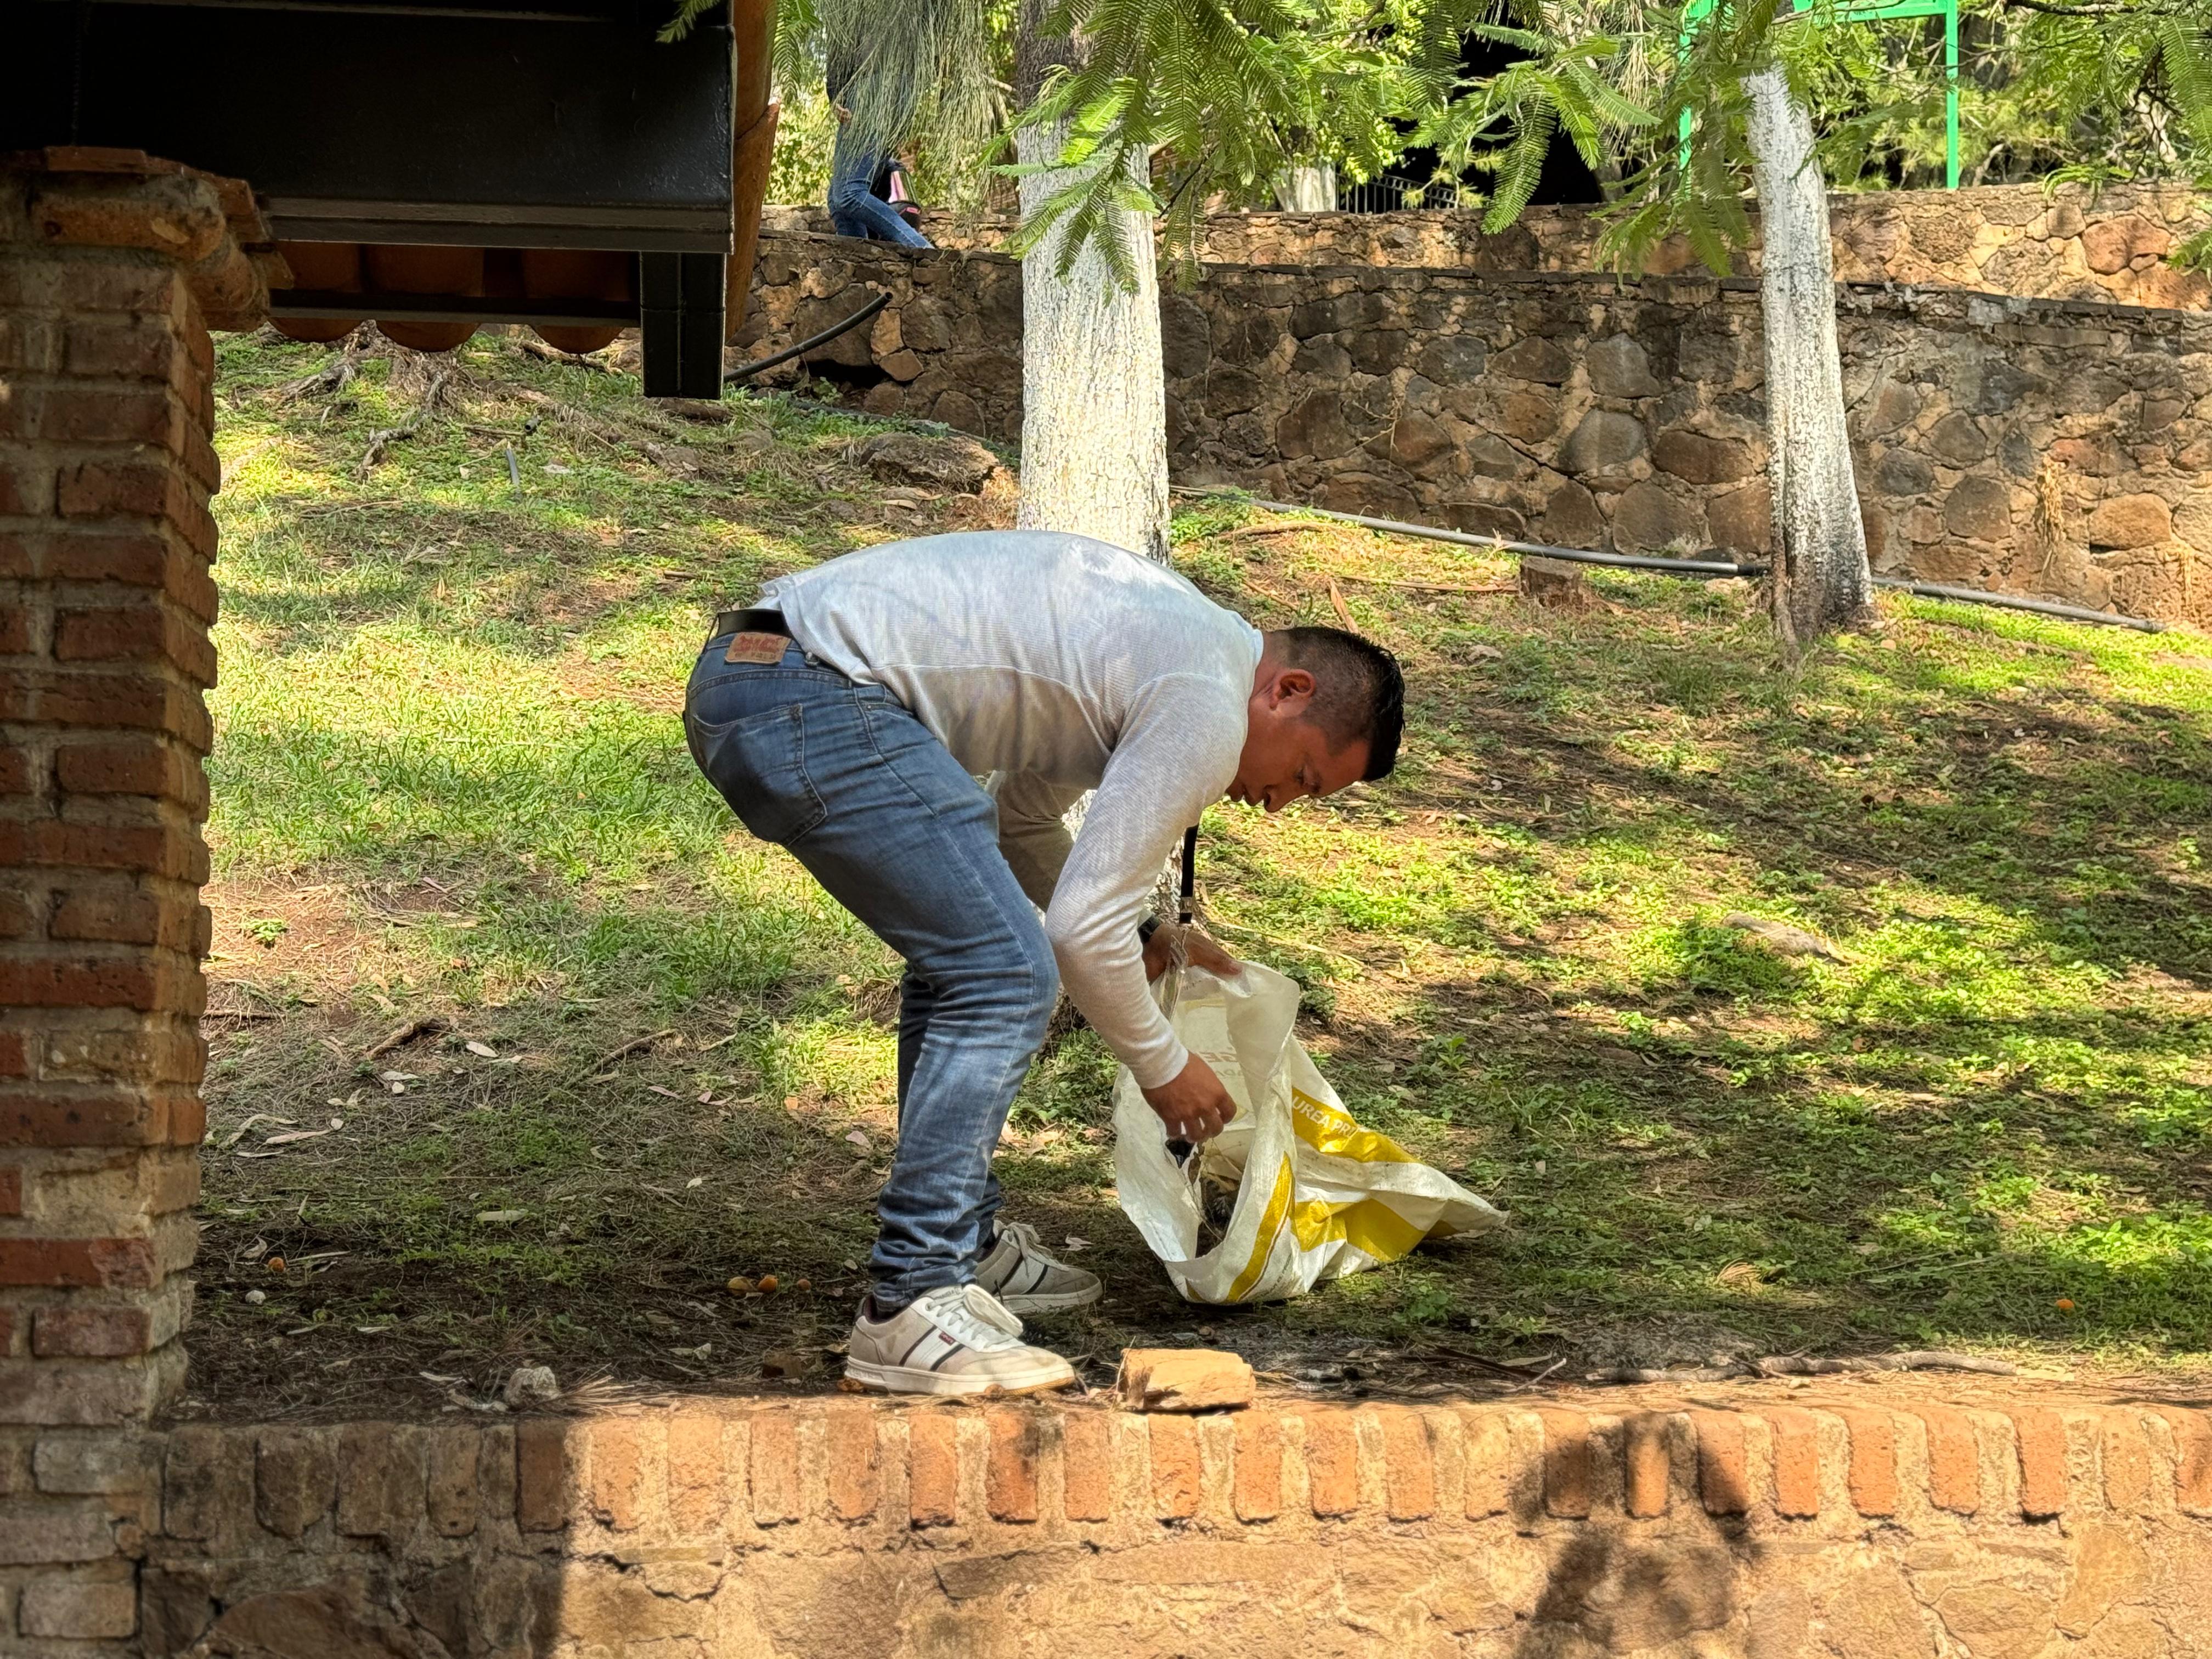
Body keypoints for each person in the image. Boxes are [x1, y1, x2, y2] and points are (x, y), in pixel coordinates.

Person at [683, 531, 1404, 1395]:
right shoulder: (1208, 701)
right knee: (1004, 972)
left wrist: (1146, 933)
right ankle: (911, 1300)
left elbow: (1024, 821)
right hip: (809, 691)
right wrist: (1164, 1067)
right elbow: (1077, 933)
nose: (1278, 804)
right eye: (1306, 778)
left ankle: (961, 1245)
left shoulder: (1174, 648)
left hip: (761, 673)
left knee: (965, 959)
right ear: (1288, 692)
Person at [824, 44, 932, 248]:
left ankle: (923, 249)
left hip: (871, 80)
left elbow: (842, 40)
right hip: (903, 88)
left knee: (849, 192)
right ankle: (856, 261)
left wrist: (836, 95)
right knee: (837, 197)